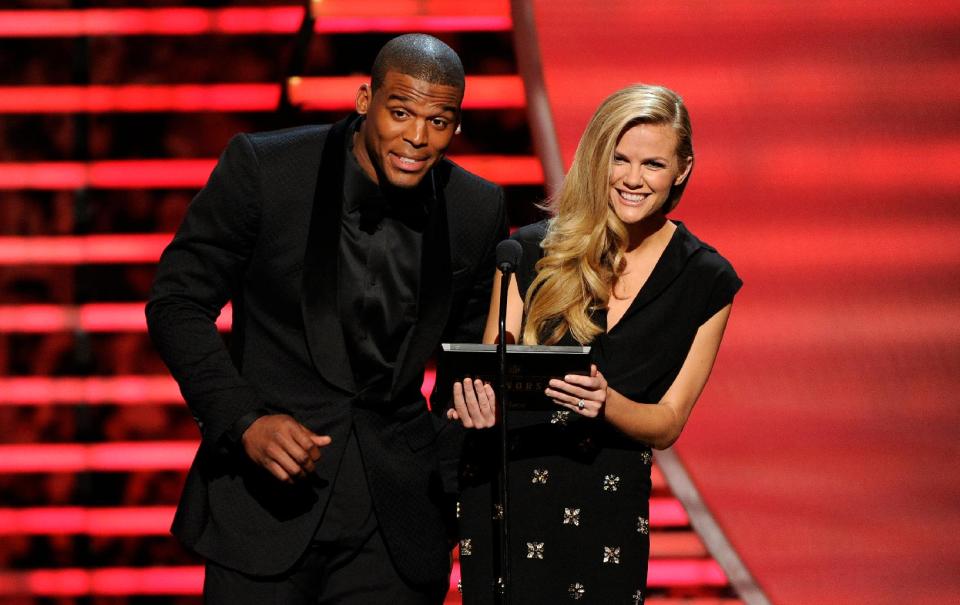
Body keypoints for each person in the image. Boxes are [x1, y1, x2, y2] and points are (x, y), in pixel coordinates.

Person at [146, 34, 507, 604]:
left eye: (439, 121)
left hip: (396, 524)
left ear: (456, 127)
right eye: (400, 112)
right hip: (266, 504)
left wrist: (445, 472)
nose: (417, 137)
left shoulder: (475, 208)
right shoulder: (268, 171)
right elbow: (177, 303)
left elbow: (470, 360)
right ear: (365, 100)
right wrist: (244, 421)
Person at [450, 84, 741, 604]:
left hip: (607, 500)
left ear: (682, 169)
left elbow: (669, 421)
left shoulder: (707, 279)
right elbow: (492, 365)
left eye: (653, 164)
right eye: (619, 159)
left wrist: (608, 404)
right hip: (511, 492)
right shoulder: (531, 249)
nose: (632, 179)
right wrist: (477, 402)